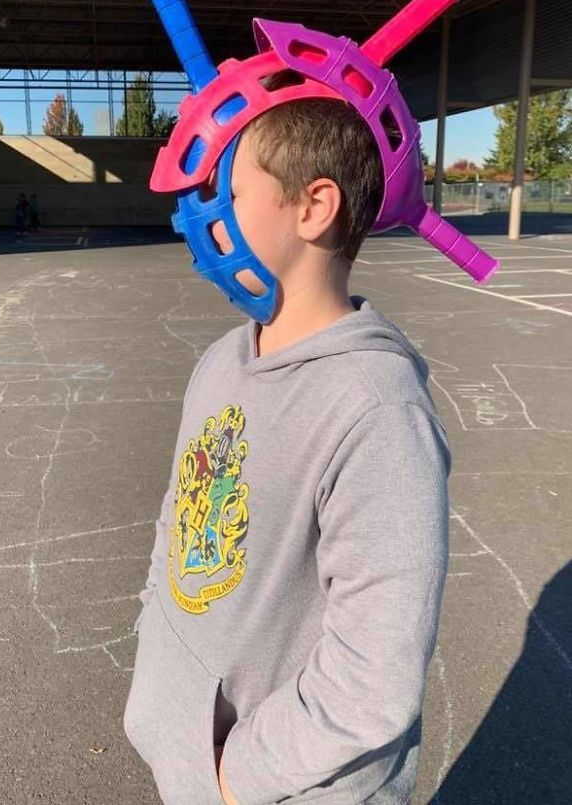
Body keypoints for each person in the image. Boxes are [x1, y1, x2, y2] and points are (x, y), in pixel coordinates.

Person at [123, 80, 450, 804]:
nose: (205, 215)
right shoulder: (221, 360)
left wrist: (238, 777)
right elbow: (178, 521)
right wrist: (158, 658)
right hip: (193, 758)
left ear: (313, 207)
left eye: (232, 193)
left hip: (289, 785)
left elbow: (375, 673)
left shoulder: (377, 408)